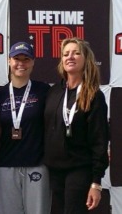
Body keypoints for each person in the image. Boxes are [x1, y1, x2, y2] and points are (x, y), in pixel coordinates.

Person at [44, 37, 109, 214]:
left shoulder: (94, 96)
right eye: (66, 54)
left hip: (79, 170)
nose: (70, 57)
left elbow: (100, 141)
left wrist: (96, 182)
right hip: (53, 171)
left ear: (86, 59)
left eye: (76, 53)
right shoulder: (54, 92)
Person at [0, 42, 51, 214]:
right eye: (17, 59)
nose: (21, 63)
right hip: (7, 164)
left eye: (26, 59)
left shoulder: (44, 91)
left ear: (33, 62)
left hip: (37, 164)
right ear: (9, 61)